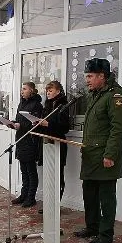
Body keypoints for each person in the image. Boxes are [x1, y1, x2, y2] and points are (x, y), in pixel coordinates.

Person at [73, 58, 122, 243]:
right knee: (89, 194)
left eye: (90, 76)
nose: (86, 80)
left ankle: (105, 234)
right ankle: (92, 227)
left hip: (104, 155)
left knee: (106, 197)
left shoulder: (115, 96)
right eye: (86, 76)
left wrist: (110, 155)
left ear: (102, 76)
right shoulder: (95, 95)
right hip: (90, 155)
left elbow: (118, 128)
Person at [35, 81, 69, 214]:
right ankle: (49, 203)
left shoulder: (62, 105)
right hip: (46, 143)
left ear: (58, 91)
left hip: (57, 144)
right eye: (47, 90)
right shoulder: (47, 105)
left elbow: (64, 127)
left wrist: (47, 124)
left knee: (57, 176)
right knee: (48, 176)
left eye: (51, 90)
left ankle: (55, 205)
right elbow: (45, 123)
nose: (48, 92)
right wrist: (37, 123)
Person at [9, 82, 43, 208]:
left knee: (30, 170)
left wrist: (20, 125)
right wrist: (13, 123)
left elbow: (35, 123)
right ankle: (23, 194)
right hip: (21, 139)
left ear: (32, 90)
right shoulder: (21, 103)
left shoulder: (37, 105)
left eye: (24, 89)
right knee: (23, 170)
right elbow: (20, 120)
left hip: (30, 140)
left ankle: (31, 197)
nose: (21, 91)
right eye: (21, 89)